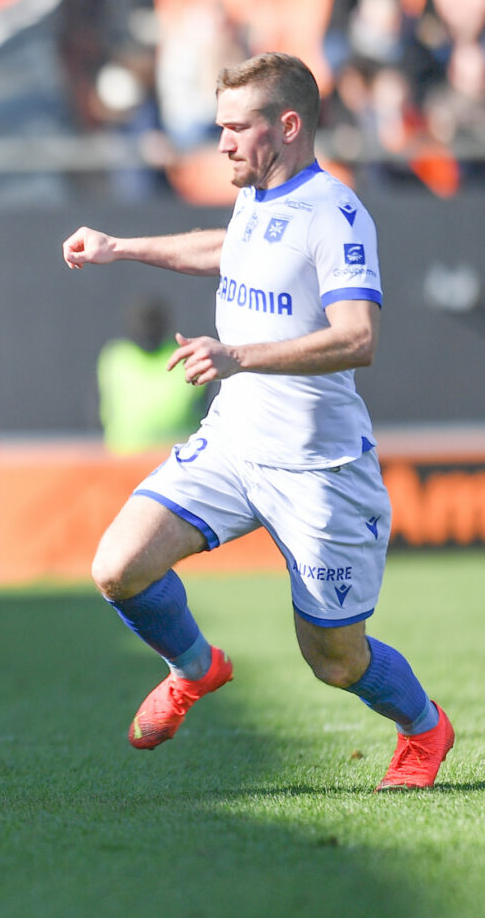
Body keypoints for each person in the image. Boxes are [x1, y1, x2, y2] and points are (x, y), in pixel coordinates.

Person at [61, 52, 453, 791]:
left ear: (290, 125)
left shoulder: (336, 214)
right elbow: (228, 248)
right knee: (117, 566)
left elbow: (358, 337)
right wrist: (122, 247)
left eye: (238, 127)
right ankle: (195, 668)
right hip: (235, 443)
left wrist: (239, 353)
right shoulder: (256, 197)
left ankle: (425, 726)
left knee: (334, 659)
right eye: (220, 127)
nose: (223, 144)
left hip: (318, 470)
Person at [96, 295, 206, 454]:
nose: (147, 330)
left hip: (178, 460)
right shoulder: (115, 357)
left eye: (152, 324)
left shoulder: (186, 356)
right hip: (124, 461)